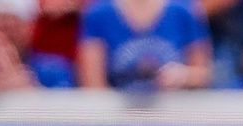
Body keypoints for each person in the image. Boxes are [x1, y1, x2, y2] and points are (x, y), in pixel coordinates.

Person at [76, 0, 212, 91]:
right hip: (116, 119)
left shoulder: (184, 11)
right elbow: (93, 85)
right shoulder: (98, 14)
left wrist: (184, 75)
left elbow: (204, 74)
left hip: (174, 115)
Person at [0, 0, 74, 88]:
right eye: (0, 27)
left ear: (31, 28)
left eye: (14, 26)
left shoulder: (54, 69)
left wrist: (28, 90)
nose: (7, 36)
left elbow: (69, 100)